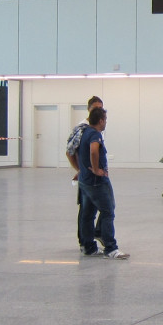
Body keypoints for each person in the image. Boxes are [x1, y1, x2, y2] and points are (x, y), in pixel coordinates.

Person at [77, 106, 128, 259]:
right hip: (96, 182)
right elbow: (94, 150)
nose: (106, 122)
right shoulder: (95, 134)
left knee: (87, 215)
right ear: (100, 120)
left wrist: (81, 169)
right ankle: (111, 248)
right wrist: (96, 169)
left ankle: (88, 247)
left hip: (84, 181)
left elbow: (71, 151)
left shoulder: (84, 132)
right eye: (105, 119)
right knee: (108, 212)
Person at [65, 95, 103, 251]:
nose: (98, 111)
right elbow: (70, 151)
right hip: (88, 177)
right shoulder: (82, 128)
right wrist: (80, 169)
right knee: (88, 210)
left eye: (100, 108)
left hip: (97, 175)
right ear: (89, 109)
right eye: (95, 108)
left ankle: (93, 235)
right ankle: (86, 242)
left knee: (100, 208)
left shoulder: (98, 128)